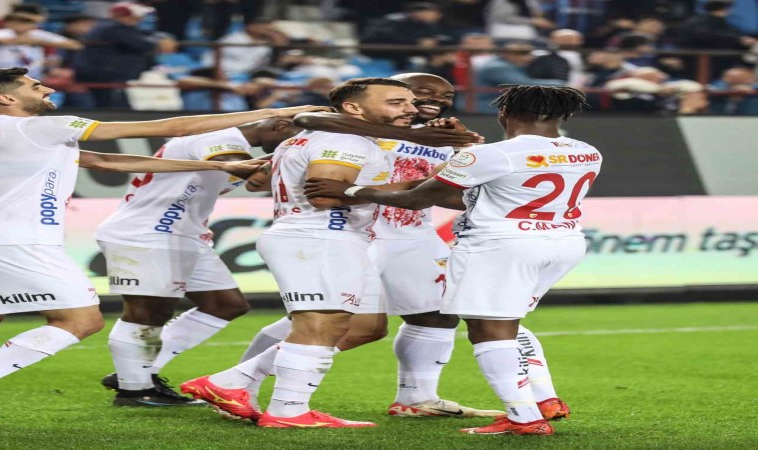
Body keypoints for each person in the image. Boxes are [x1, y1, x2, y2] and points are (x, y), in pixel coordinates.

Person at [228, 73, 570, 421]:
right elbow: (307, 122)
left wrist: (465, 167)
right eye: (418, 93)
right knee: (337, 321)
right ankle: (241, 384)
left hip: (412, 234)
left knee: (439, 313)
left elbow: (453, 194)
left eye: (445, 95)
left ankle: (417, 397)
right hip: (354, 231)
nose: (433, 100)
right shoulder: (351, 128)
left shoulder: (448, 138)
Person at [303, 85, 601, 436]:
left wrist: (351, 191)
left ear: (505, 113)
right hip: (563, 242)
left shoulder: (490, 154)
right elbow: (487, 191)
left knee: (491, 330)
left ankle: (524, 419)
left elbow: (418, 199)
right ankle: (545, 399)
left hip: (501, 245)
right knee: (510, 321)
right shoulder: (586, 151)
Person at [0, 66, 329, 381]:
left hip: (14, 237)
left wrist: (215, 167)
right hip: (22, 240)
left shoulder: (24, 135)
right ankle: (134, 383)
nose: (48, 88)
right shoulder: (40, 128)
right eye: (35, 86)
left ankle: (138, 380)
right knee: (81, 320)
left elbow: (104, 160)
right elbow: (176, 127)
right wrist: (277, 111)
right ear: (6, 97)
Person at [180, 77, 422, 429]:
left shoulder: (321, 137)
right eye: (396, 102)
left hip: (331, 237)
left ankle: (232, 382)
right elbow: (324, 196)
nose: (411, 109)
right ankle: (288, 411)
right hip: (320, 236)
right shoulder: (345, 140)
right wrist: (416, 186)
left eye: (410, 102)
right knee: (321, 323)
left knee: (363, 326)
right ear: (353, 107)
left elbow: (258, 181)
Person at [93, 118, 303, 407]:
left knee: (225, 304)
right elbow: (237, 165)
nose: (293, 143)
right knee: (147, 309)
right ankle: (134, 390)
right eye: (294, 136)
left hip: (184, 233)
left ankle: (136, 371)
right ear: (279, 124)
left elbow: (255, 182)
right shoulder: (219, 135)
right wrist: (301, 157)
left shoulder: (237, 147)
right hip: (146, 232)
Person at [72, 2, 177, 108]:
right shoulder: (112, 28)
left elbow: (147, 34)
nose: (140, 19)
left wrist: (164, 37)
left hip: (108, 74)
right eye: (136, 16)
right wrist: (159, 43)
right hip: (103, 74)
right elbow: (142, 44)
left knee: (115, 104)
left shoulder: (120, 27)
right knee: (110, 106)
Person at [476, 42, 564, 112]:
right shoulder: (497, 67)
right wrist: (563, 84)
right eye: (523, 54)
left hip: (506, 102)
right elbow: (525, 84)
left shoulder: (514, 65)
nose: (529, 58)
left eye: (529, 54)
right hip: (488, 105)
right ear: (508, 54)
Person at [0, 13, 83, 80]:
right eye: (17, 22)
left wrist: (38, 41)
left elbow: (75, 45)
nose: (21, 25)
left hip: (32, 76)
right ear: (8, 23)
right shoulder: (4, 32)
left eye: (26, 22)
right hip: (4, 76)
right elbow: (2, 40)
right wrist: (30, 41)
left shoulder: (38, 34)